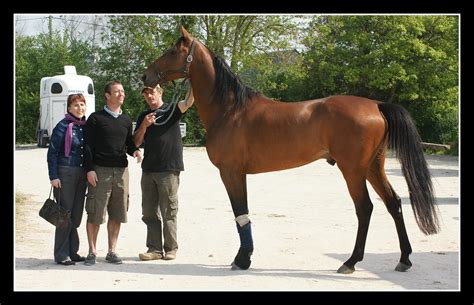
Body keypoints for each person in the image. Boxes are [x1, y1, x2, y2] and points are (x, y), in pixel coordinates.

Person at [83, 80, 142, 266]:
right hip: (100, 171)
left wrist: (135, 151)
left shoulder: (125, 120)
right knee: (95, 213)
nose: (121, 94)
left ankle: (111, 251)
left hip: (121, 171)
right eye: (117, 91)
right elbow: (87, 146)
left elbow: (129, 144)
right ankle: (92, 252)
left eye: (122, 91)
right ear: (107, 95)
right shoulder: (95, 118)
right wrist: (90, 169)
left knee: (117, 213)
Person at [134, 83, 194, 261]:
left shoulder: (171, 110)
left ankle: (171, 248)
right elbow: (136, 142)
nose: (149, 96)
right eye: (146, 94)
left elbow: (189, 102)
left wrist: (192, 81)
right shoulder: (143, 115)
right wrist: (144, 125)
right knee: (149, 212)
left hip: (169, 168)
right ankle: (154, 249)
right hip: (148, 170)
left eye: (151, 92)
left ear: (160, 92)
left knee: (169, 211)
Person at [46, 93, 88, 265]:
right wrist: (53, 176)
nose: (80, 108)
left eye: (82, 104)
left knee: (76, 215)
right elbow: (52, 153)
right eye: (76, 105)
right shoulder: (62, 126)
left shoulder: (85, 126)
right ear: (69, 108)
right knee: (64, 214)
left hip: (81, 174)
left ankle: (73, 251)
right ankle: (62, 254)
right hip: (65, 173)